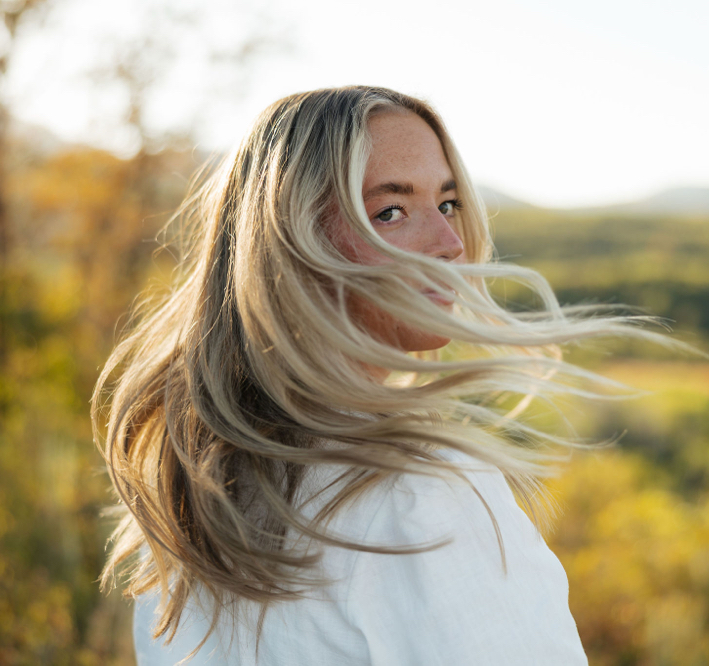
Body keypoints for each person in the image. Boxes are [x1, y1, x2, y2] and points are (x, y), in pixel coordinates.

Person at [94, 86, 653, 664]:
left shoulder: (186, 499)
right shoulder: (422, 499)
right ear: (291, 244)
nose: (449, 244)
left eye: (448, 203)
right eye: (391, 211)